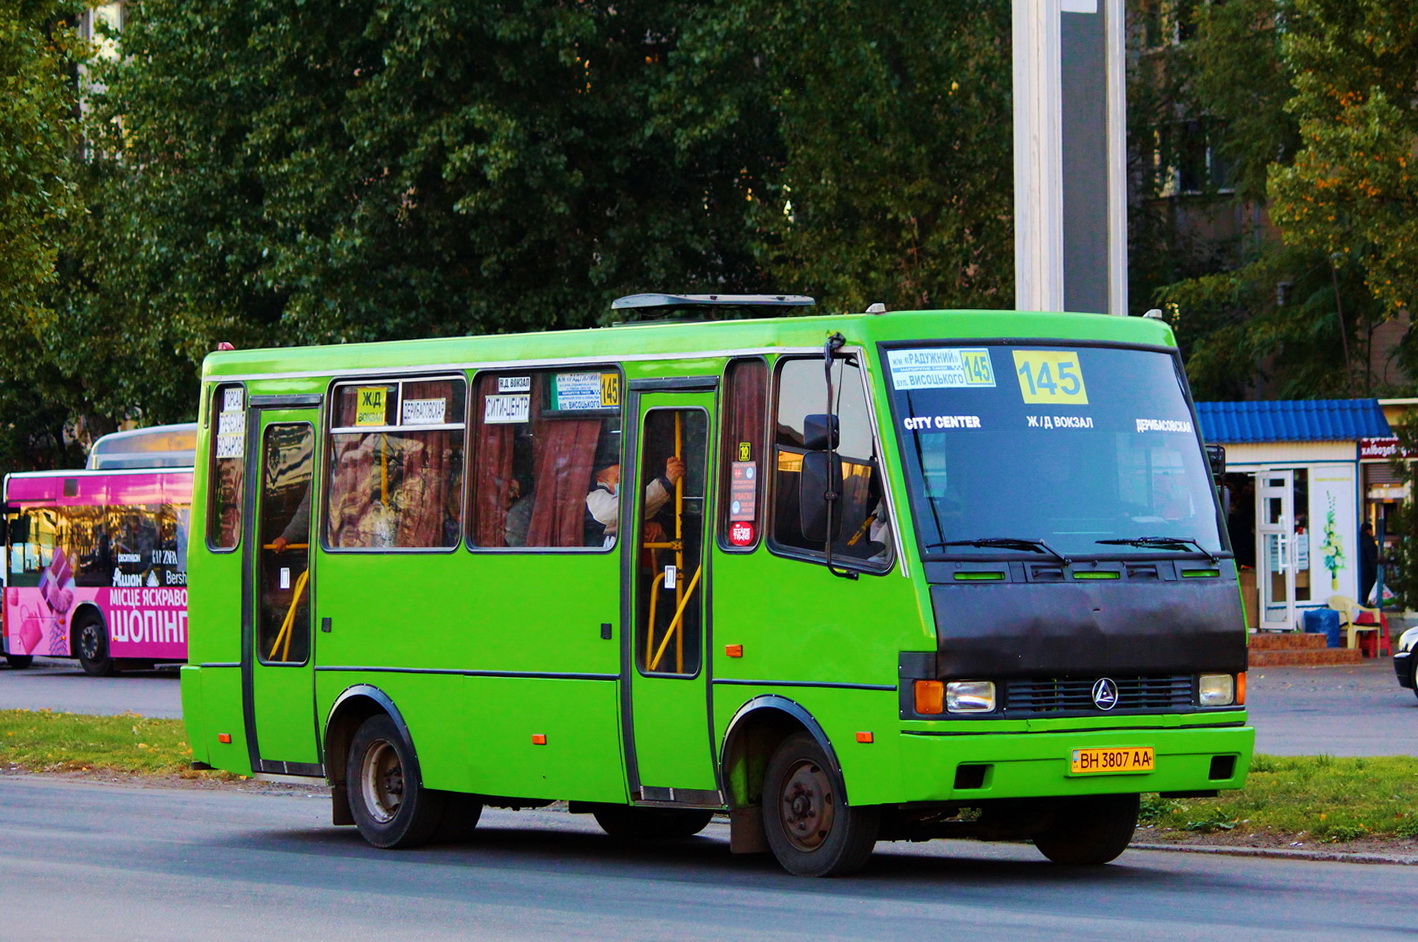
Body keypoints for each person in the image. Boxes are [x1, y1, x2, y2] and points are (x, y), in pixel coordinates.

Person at [586, 456, 685, 547]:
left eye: (627, 479)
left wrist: (649, 525)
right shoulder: (595, 497)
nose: (624, 483)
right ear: (601, 480)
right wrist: (665, 483)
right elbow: (617, 511)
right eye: (618, 479)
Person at [1359, 522, 1379, 605]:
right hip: (1367, 573)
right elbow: (1373, 559)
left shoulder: (1356, 539)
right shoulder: (1369, 542)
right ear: (1369, 531)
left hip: (1359, 573)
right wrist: (1376, 574)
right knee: (1367, 595)